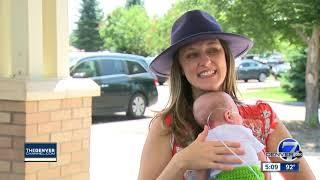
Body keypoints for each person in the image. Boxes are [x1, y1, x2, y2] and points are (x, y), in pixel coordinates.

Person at [138, 9, 315, 180]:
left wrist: (258, 163)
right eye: (192, 55)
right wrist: (181, 162)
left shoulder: (263, 118)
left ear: (226, 57)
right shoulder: (167, 126)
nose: (206, 61)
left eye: (213, 50)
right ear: (181, 68)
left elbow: (293, 165)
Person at [193, 91, 265, 180]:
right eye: (238, 113)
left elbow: (202, 170)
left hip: (224, 176)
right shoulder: (242, 130)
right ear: (229, 116)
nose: (241, 118)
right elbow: (261, 156)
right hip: (252, 174)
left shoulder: (205, 140)